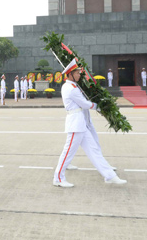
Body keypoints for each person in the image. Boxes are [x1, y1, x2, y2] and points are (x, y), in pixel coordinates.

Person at [53, 59, 126, 188]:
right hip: (75, 124)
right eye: (76, 73)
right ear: (70, 74)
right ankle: (58, 178)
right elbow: (85, 104)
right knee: (68, 152)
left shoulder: (73, 87)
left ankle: (109, 176)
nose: (79, 75)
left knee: (94, 151)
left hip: (80, 124)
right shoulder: (70, 88)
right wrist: (100, 106)